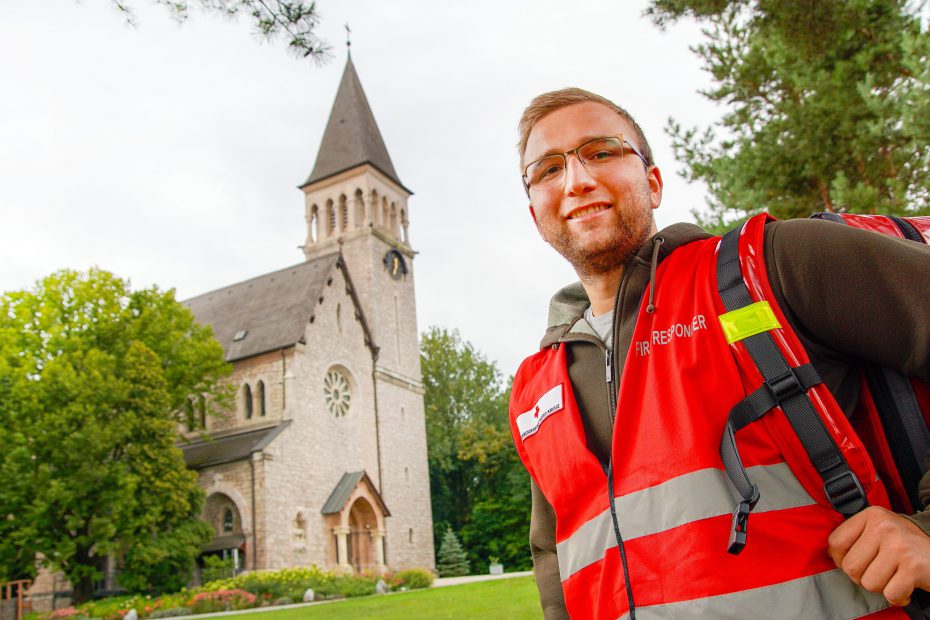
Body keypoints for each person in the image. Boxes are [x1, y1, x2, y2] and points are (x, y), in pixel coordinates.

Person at [509, 87, 930, 619]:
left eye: (601, 151)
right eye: (548, 169)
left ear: (653, 183)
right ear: (534, 214)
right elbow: (556, 560)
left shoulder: (772, 265)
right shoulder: (535, 390)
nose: (576, 180)